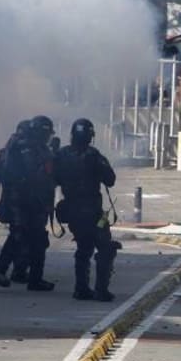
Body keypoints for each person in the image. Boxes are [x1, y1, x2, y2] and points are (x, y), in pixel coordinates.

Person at [53, 118, 119, 301]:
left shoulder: (62, 155)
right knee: (105, 248)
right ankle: (101, 290)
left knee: (84, 248)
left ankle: (81, 288)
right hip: (93, 212)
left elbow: (53, 179)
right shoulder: (93, 155)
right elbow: (110, 180)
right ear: (90, 136)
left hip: (72, 212)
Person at [0, 115, 57, 291]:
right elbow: (35, 174)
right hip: (23, 200)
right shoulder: (27, 148)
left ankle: (29, 277)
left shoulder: (30, 147)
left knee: (30, 238)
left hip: (27, 200)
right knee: (22, 237)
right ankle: (4, 272)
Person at [0, 119, 32, 283]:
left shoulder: (8, 150)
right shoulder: (23, 150)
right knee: (18, 235)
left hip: (12, 199)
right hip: (19, 200)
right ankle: (0, 270)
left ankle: (19, 270)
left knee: (22, 235)